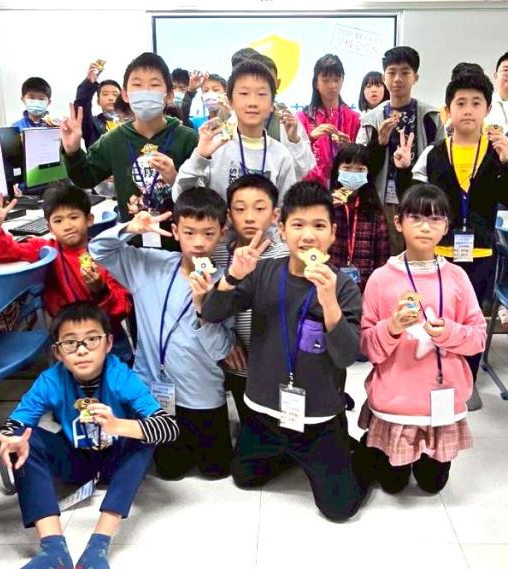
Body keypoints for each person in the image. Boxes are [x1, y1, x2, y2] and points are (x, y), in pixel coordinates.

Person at [201, 182, 371, 522]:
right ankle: (294, 456)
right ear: (281, 229)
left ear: (332, 233)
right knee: (243, 477)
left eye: (318, 225)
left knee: (339, 510)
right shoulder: (264, 271)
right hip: (264, 412)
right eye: (298, 225)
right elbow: (212, 313)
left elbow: (346, 357)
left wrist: (329, 303)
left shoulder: (343, 287)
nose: (308, 236)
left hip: (318, 418)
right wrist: (232, 277)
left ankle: (366, 454)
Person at [0, 302, 179, 569]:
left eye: (91, 339)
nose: (81, 350)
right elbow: (8, 429)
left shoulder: (121, 376)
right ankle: (53, 550)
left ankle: (97, 547)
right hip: (74, 459)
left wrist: (118, 426)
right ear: (58, 352)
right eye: (70, 343)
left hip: (116, 461)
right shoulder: (50, 380)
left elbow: (168, 427)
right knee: (22, 440)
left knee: (144, 435)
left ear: (108, 343)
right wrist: (5, 445)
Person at [393, 70, 508, 410]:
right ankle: (434, 376)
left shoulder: (496, 151)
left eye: (476, 103)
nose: (468, 110)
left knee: (472, 320)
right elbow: (414, 202)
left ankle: (467, 380)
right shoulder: (435, 153)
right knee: (434, 314)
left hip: (481, 253)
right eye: (461, 103)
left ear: (487, 109)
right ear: (447, 110)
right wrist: (403, 170)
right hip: (438, 252)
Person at [89, 188, 237, 480]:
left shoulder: (225, 285)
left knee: (216, 470)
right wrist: (129, 228)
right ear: (175, 231)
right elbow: (98, 250)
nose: (199, 243)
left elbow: (221, 350)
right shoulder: (149, 264)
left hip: (202, 394)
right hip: (155, 390)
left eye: (209, 234)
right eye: (189, 232)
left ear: (222, 233)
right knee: (170, 470)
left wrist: (203, 307)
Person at [359, 184, 485, 494]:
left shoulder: (457, 277)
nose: (425, 227)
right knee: (392, 484)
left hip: (442, 400)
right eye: (415, 218)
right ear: (398, 222)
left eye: (435, 219)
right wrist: (392, 327)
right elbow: (367, 347)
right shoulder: (381, 278)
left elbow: (478, 338)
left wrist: (450, 333)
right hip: (395, 402)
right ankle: (370, 447)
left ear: (446, 226)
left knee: (432, 485)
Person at [60, 52, 199, 252]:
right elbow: (85, 178)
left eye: (154, 85)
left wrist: (176, 179)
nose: (145, 92)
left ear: (168, 95)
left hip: (181, 248)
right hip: (132, 247)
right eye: (137, 85)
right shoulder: (114, 140)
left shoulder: (188, 138)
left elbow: (202, 196)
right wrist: (72, 151)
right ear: (125, 95)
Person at [0, 187, 134, 363]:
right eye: (58, 220)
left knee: (119, 376)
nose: (67, 226)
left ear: (89, 219)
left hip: (109, 338)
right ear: (49, 227)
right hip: (69, 339)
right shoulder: (47, 250)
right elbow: (5, 252)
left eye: (74, 217)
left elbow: (123, 308)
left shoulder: (104, 256)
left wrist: (100, 290)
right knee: (75, 378)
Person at [210, 174, 291, 425]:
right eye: (240, 209)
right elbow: (206, 305)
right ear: (229, 214)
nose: (249, 217)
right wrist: (226, 342)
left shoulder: (287, 257)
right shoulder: (217, 254)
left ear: (275, 215)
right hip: (236, 362)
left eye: (259, 208)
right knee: (250, 425)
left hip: (276, 364)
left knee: (280, 427)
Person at [172, 60, 299, 202]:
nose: (252, 102)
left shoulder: (281, 155)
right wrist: (199, 157)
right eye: (244, 93)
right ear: (230, 102)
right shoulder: (215, 148)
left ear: (272, 105)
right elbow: (181, 196)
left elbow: (287, 208)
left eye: (261, 94)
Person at [356, 46, 443, 254]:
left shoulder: (430, 117)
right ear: (384, 77)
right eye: (392, 72)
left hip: (420, 200)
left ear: (416, 77)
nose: (397, 79)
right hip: (381, 200)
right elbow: (359, 167)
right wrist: (380, 142)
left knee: (419, 254)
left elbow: (441, 161)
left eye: (405, 72)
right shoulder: (370, 119)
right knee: (384, 256)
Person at [327, 143, 389, 291]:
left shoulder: (375, 212)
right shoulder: (326, 207)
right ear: (337, 170)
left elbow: (382, 259)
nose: (353, 174)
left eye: (360, 169)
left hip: (365, 288)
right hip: (329, 284)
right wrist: (326, 210)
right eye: (347, 168)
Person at [297, 54, 361, 187]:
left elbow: (362, 161)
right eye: (325, 80)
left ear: (343, 80)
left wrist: (350, 149)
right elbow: (295, 156)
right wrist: (310, 137)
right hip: (311, 188)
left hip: (344, 188)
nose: (332, 85)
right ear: (316, 83)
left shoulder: (354, 118)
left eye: (336, 80)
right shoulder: (303, 117)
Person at [74, 60, 126, 149]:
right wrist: (88, 83)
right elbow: (82, 105)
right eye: (105, 94)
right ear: (98, 102)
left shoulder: (130, 123)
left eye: (115, 94)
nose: (111, 98)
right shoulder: (92, 124)